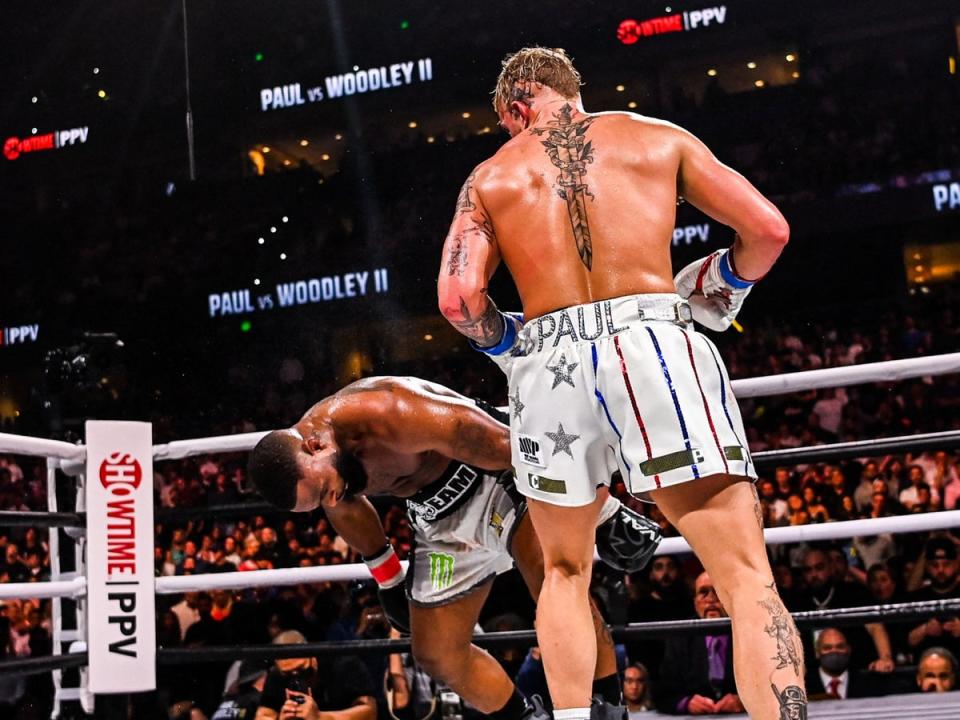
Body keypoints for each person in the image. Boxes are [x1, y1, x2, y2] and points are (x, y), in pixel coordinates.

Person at [436, 46, 803, 720]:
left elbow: (458, 300)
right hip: (654, 342)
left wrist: (512, 343)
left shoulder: (489, 177)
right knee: (746, 576)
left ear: (518, 103)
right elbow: (768, 229)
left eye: (505, 121)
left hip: (549, 369)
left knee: (565, 574)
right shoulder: (657, 137)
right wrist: (720, 288)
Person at [248, 376, 660, 720]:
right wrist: (389, 578)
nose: (330, 501)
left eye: (323, 490)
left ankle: (606, 709)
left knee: (558, 586)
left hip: (498, 477)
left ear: (317, 446)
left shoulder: (387, 411)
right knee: (437, 652)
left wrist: (600, 507)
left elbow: (499, 440)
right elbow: (346, 505)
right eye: (318, 502)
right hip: (436, 519)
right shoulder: (322, 463)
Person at [656, 571, 742, 715]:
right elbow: (662, 693)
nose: (711, 599)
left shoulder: (746, 634)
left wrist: (743, 701)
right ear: (695, 602)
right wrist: (686, 703)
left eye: (717, 591)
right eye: (703, 592)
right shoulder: (680, 638)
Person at [255, 630, 376, 720]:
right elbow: (263, 714)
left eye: (302, 670)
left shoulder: (343, 664)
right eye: (288, 674)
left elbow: (370, 712)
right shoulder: (276, 675)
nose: (296, 676)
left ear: (312, 655)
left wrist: (320, 717)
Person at [805, 628, 882, 700]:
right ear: (818, 652)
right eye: (827, 648)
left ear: (848, 650)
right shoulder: (803, 685)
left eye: (840, 647)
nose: (834, 651)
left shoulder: (868, 683)